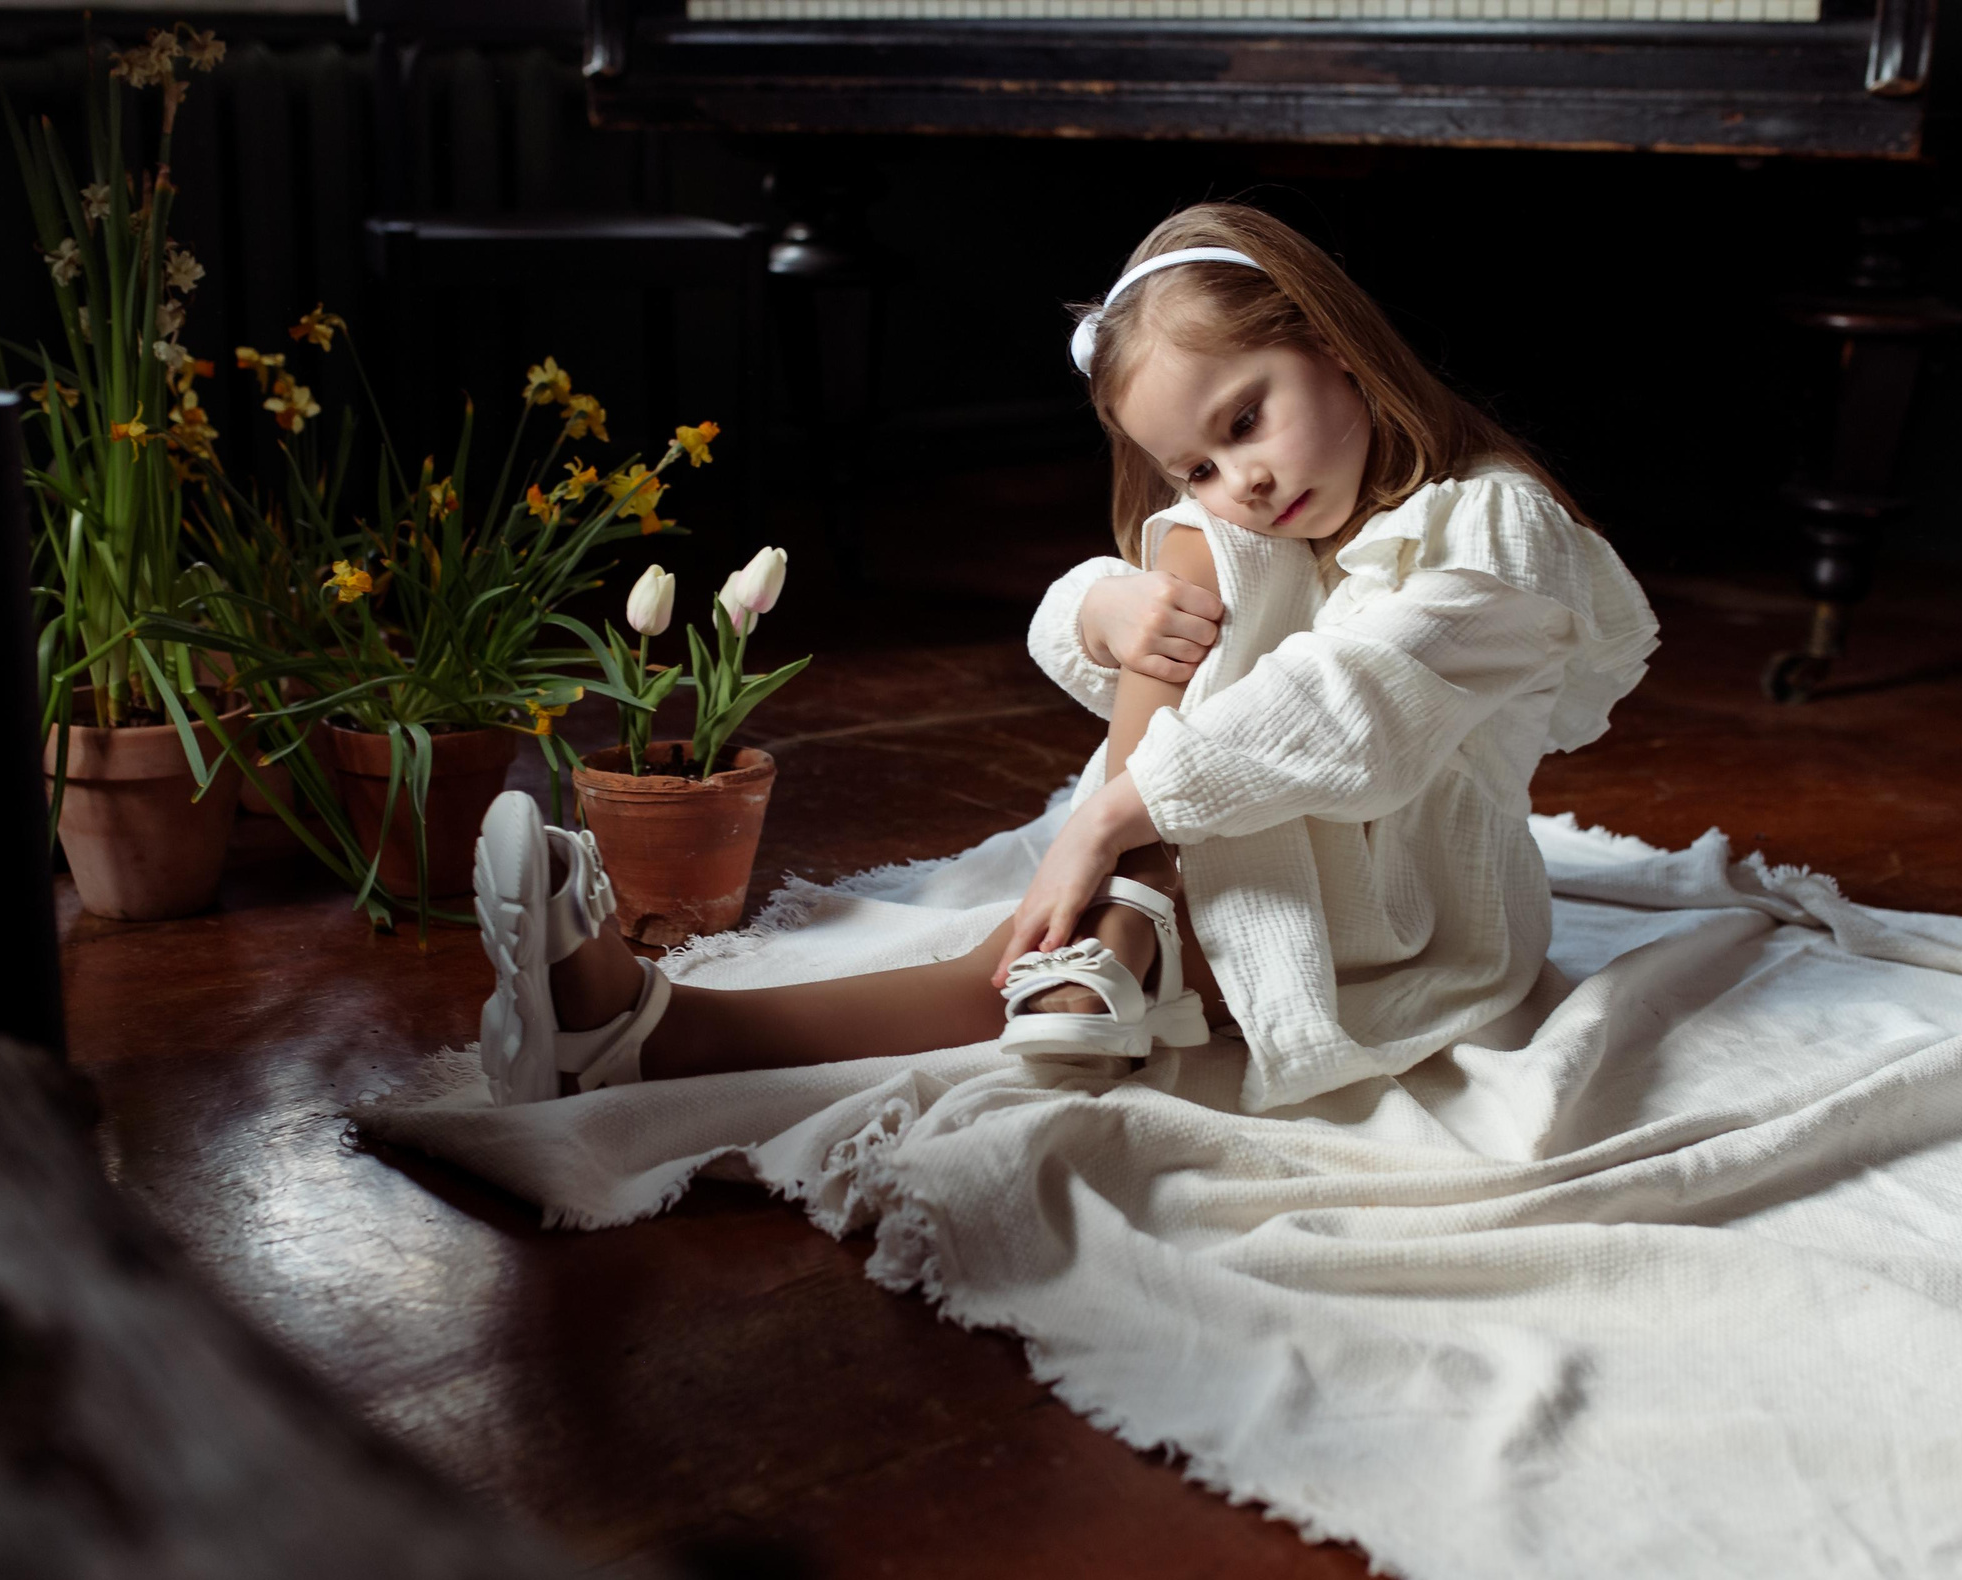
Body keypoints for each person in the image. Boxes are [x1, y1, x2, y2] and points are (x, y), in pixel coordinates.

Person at [471, 202, 1660, 1111]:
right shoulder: (1264, 520)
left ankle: (654, 1030)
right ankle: (1107, 936)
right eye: (1196, 463)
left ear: (1334, 344)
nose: (1241, 477)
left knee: (1020, 950)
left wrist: (1105, 823)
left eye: (1245, 419)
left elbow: (1344, 712)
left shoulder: (1499, 530)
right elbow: (1111, 643)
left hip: (1403, 907)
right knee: (1191, 555)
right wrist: (1101, 609)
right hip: (1229, 834)